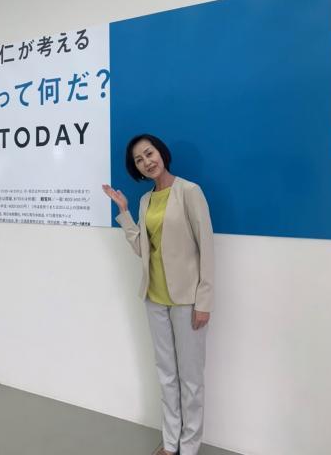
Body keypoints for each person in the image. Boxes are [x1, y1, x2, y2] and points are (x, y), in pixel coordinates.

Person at [102, 134, 214, 455]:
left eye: (149, 154)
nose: (146, 162)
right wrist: (124, 211)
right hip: (154, 297)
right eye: (139, 160)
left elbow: (207, 248)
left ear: (161, 153)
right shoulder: (145, 201)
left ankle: (189, 447)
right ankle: (170, 442)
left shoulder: (189, 192)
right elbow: (142, 249)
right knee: (166, 374)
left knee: (191, 378)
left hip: (187, 299)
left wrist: (204, 301)